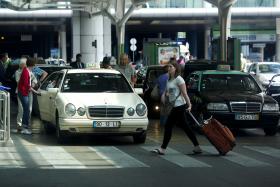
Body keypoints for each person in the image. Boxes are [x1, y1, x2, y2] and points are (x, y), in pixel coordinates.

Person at [151, 62, 202, 155]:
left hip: (179, 106)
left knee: (168, 126)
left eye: (171, 66)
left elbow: (185, 93)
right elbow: (169, 91)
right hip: (174, 105)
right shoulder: (169, 80)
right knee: (186, 127)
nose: (169, 68)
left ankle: (163, 148)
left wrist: (189, 105)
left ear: (176, 68)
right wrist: (164, 95)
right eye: (168, 67)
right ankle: (197, 147)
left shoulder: (179, 79)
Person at [14, 57, 37, 132]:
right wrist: (35, 91)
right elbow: (24, 84)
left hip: (27, 92)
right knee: (23, 109)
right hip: (23, 92)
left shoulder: (29, 71)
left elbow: (34, 79)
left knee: (28, 109)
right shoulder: (21, 72)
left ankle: (26, 125)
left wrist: (33, 84)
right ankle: (22, 126)